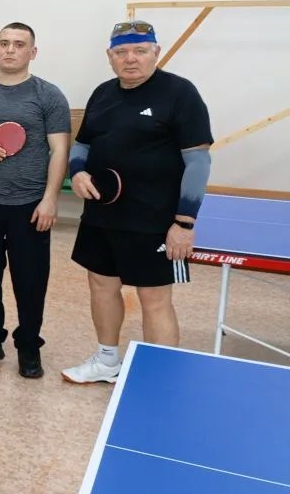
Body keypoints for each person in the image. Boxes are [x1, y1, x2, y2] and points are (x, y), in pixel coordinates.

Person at [62, 20, 212, 384]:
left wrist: (184, 223)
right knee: (101, 285)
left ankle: (160, 376)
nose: (130, 59)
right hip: (101, 215)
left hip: (154, 221)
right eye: (122, 52)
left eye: (140, 51)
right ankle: (106, 361)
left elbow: (198, 161)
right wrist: (77, 172)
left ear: (155, 52)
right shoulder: (102, 93)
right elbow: (82, 144)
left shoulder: (180, 93)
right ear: (110, 56)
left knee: (154, 299)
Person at [0, 23, 70, 379]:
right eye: (4, 43)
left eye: (19, 44)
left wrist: (50, 199)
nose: (10, 49)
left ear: (32, 52)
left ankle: (29, 346)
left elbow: (60, 150)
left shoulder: (48, 95)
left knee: (30, 280)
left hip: (29, 205)